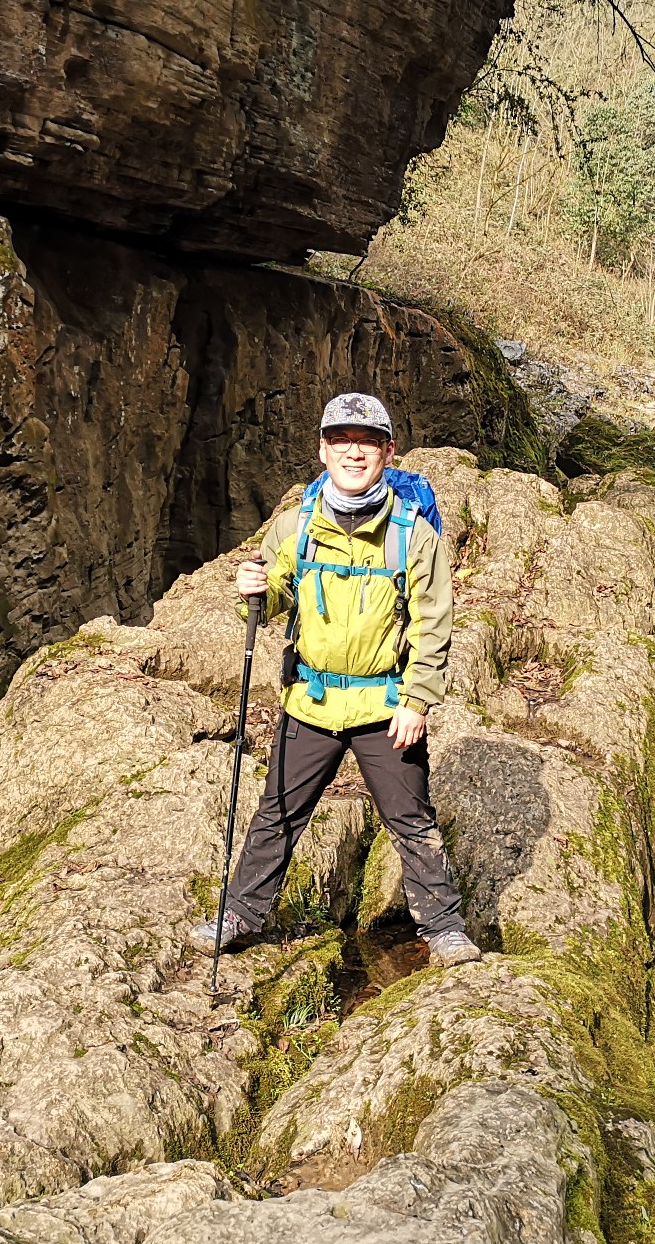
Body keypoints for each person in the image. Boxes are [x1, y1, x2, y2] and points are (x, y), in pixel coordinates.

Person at [190, 392, 482, 968]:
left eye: (367, 442)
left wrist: (418, 701)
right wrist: (254, 588)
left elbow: (433, 622)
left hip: (386, 705)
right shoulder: (295, 526)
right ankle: (242, 915)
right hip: (312, 699)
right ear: (323, 450)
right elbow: (275, 594)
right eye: (342, 441)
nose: (354, 452)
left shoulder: (411, 533)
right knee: (277, 810)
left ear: (388, 452)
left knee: (410, 818)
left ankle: (445, 927)